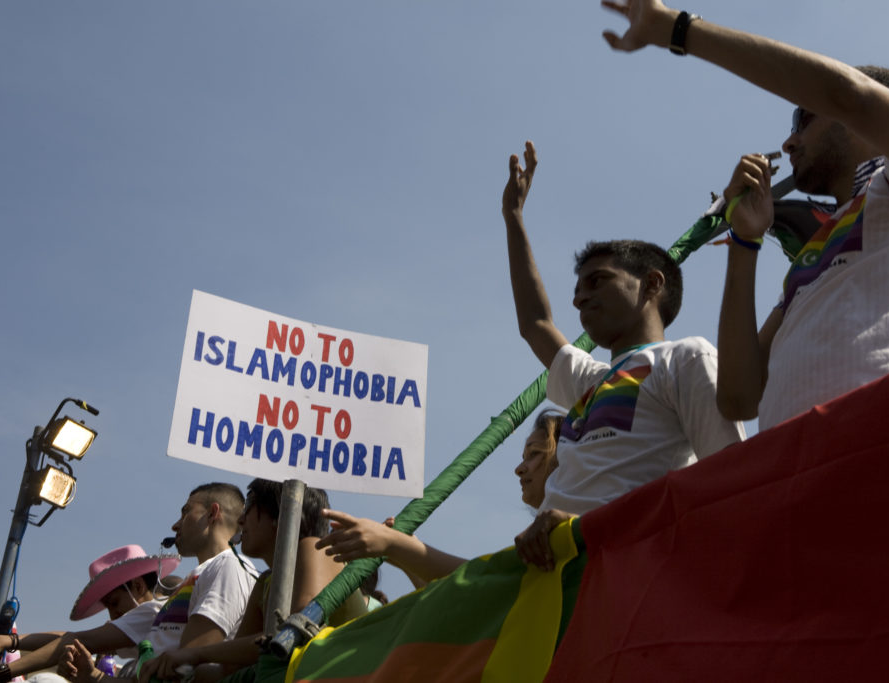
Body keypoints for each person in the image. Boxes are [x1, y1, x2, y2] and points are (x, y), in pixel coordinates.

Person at [601, 2, 889, 429]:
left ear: (861, 123)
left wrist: (678, 29)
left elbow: (848, 95)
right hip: (797, 476)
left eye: (804, 118)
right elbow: (739, 398)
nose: (789, 142)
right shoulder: (814, 253)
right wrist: (745, 241)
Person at [502, 140, 745, 569]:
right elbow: (535, 325)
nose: (580, 300)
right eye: (576, 290)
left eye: (597, 281)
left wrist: (590, 526)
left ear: (652, 285)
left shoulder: (685, 360)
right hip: (553, 584)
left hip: (627, 578)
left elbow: (732, 482)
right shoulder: (589, 382)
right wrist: (514, 218)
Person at [0, 483, 258, 683]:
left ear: (213, 513)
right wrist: (5, 654)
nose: (176, 525)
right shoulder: (187, 589)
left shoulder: (229, 568)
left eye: (186, 511)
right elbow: (83, 639)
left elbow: (186, 665)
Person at [123, 479, 363, 683]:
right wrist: (177, 669)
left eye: (249, 509)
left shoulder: (315, 548)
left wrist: (195, 655)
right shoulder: (266, 581)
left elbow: (295, 632)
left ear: (280, 515)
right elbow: (230, 669)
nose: (240, 521)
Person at [317, 409, 567, 583]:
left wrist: (396, 545)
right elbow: (459, 600)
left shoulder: (570, 533)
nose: (519, 469)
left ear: (566, 458)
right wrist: (402, 554)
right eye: (524, 457)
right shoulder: (542, 539)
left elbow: (487, 586)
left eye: (534, 454)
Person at [0, 545, 181, 677]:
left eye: (114, 603)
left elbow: (78, 640)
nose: (112, 615)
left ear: (137, 587)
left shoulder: (154, 612)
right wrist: (7, 641)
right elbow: (71, 638)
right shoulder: (144, 622)